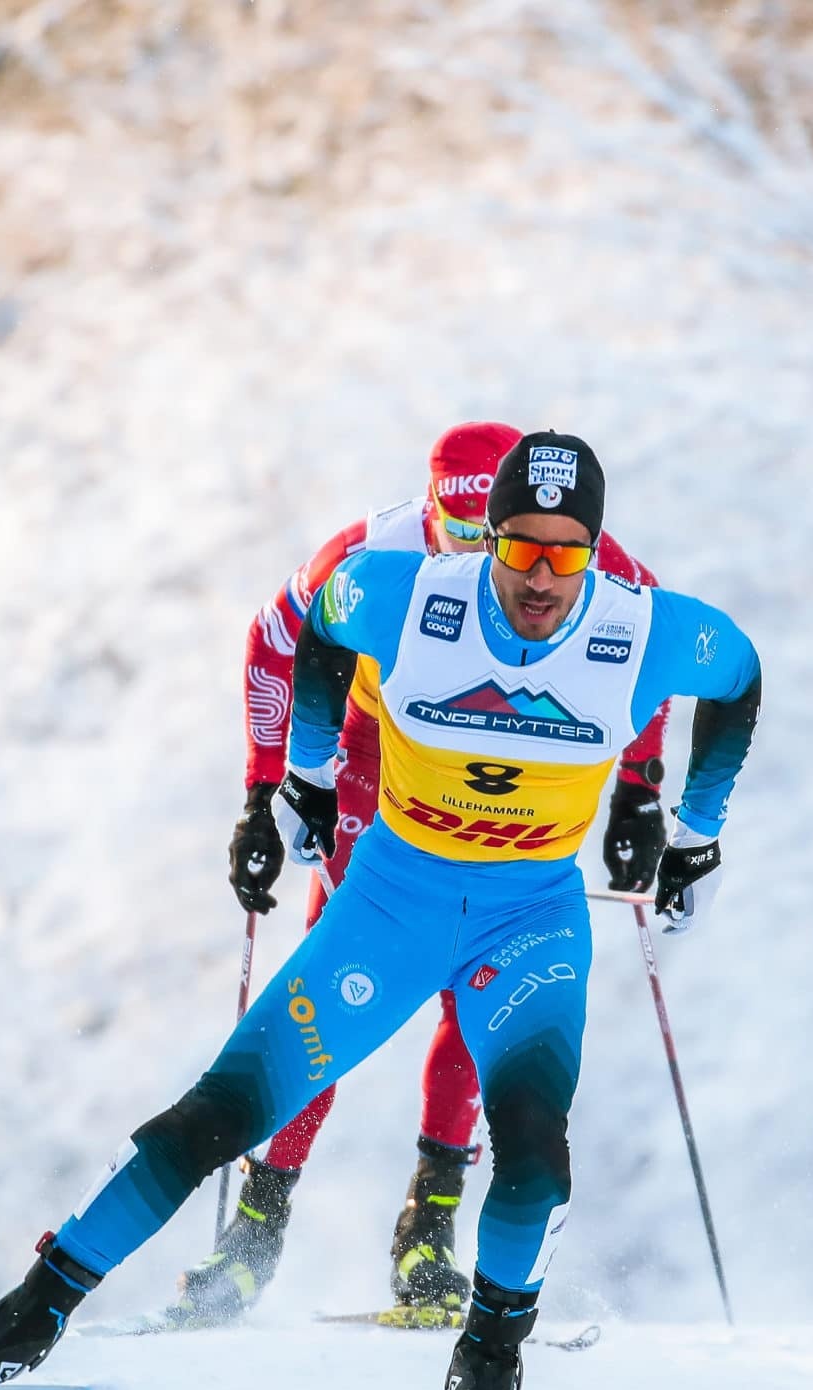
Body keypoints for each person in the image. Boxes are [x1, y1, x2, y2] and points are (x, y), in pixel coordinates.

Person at [0, 431, 761, 1390]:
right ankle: (27, 1314)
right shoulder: (407, 596)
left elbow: (739, 675)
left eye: (566, 554)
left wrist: (688, 830)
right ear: (485, 538)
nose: (540, 576)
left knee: (534, 1156)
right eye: (520, 548)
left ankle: (488, 1354)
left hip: (529, 921)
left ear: (594, 551)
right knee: (210, 1117)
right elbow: (318, 626)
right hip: (389, 906)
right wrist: (299, 778)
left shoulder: (643, 625)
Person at [174, 422, 673, 1329]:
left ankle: (429, 1225)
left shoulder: (562, 552)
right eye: (468, 535)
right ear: (431, 513)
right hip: (377, 748)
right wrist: (266, 788)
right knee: (342, 969)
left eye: (507, 537)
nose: (497, 561)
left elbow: (650, 652)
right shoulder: (372, 552)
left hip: (505, 757)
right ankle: (257, 1223)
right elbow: (271, 641)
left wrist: (640, 790)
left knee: (477, 980)